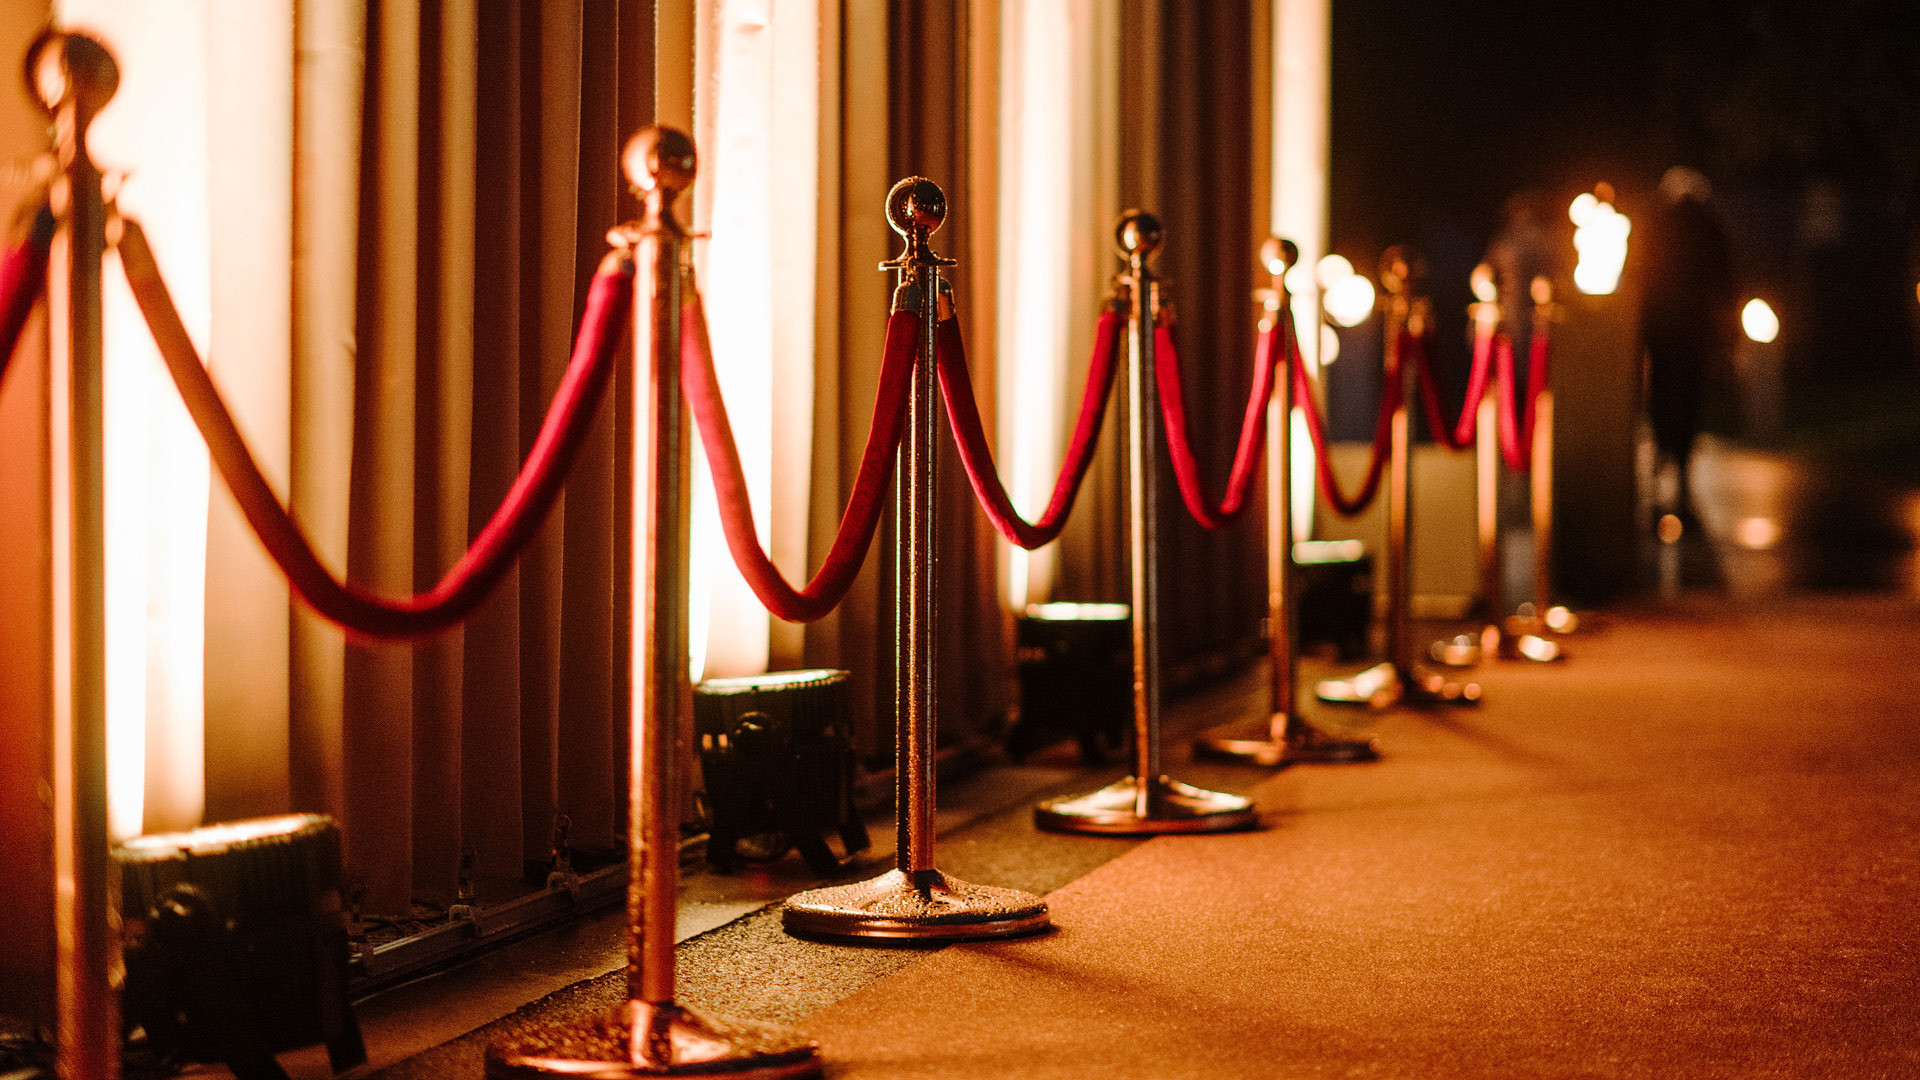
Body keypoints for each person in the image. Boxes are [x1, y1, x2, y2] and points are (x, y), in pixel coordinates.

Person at [1638, 167, 1736, 526]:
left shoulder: (1657, 225)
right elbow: (1724, 277)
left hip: (1663, 328)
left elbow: (1641, 275)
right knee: (1690, 399)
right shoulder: (1708, 225)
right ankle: (1680, 480)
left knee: (1661, 397)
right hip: (1694, 328)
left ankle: (1658, 476)